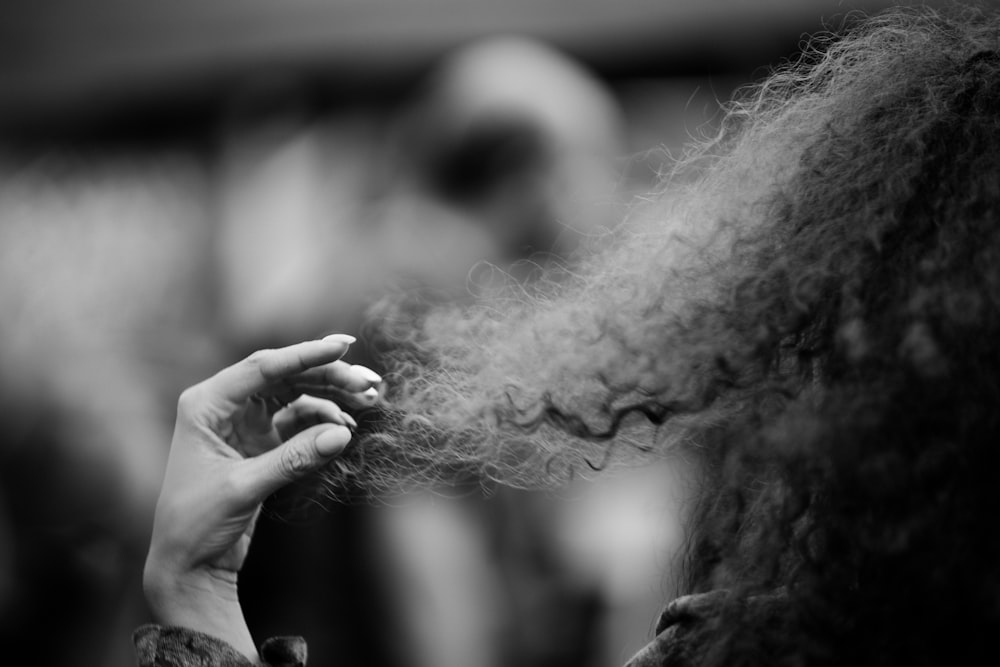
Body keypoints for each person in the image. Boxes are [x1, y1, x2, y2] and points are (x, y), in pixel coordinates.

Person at [136, 7, 1000, 666]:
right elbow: (437, 603)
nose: (610, 212)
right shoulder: (411, 321)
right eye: (597, 165)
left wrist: (197, 602)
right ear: (529, 179)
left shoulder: (352, 285)